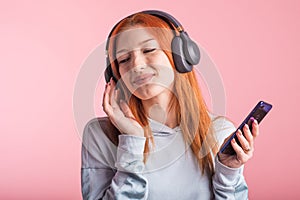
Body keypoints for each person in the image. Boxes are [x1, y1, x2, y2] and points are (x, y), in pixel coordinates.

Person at [81, 10, 259, 200]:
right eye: (124, 59)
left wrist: (228, 172)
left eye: (149, 50)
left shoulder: (219, 132)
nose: (137, 65)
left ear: (181, 55)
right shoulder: (100, 134)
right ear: (115, 75)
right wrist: (132, 140)